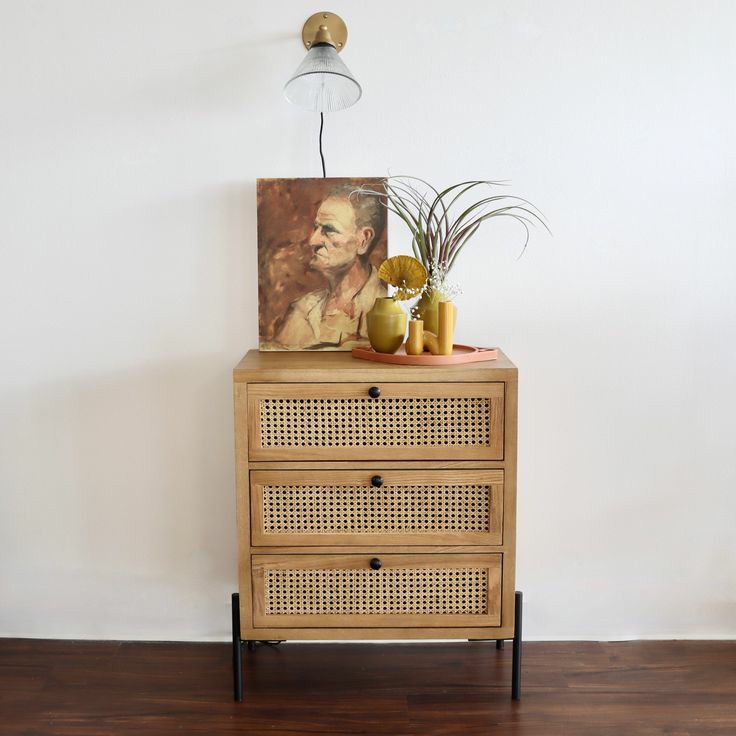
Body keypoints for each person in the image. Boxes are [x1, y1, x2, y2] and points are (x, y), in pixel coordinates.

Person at [274, 185, 386, 349]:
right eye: (316, 227)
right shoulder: (300, 310)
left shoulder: (384, 312)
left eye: (329, 230)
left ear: (363, 240)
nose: (313, 241)